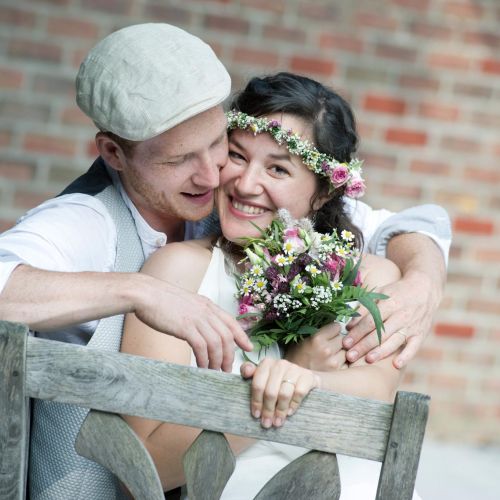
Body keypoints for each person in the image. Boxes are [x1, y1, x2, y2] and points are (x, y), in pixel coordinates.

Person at [0, 23, 447, 497]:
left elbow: (404, 226)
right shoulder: (95, 227)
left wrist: (424, 279)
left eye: (217, 146)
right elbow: (144, 468)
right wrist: (142, 292)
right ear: (114, 152)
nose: (221, 177)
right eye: (182, 159)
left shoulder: (335, 249)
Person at [121, 72, 421, 499]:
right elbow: (142, 469)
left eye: (277, 168)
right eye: (237, 156)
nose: (245, 184)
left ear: (323, 191)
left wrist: (303, 379)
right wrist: (275, 388)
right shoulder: (175, 274)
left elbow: (378, 392)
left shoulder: (370, 278)